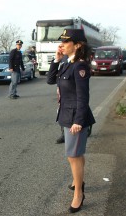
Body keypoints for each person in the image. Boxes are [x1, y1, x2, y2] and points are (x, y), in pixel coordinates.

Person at [47, 29, 96, 213]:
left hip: (76, 118)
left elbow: (83, 97)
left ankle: (79, 195)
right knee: (76, 154)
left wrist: (79, 121)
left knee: (73, 156)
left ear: (78, 45)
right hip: (67, 116)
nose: (62, 45)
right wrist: (57, 59)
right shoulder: (68, 63)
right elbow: (51, 80)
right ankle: (78, 181)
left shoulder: (80, 66)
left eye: (66, 42)